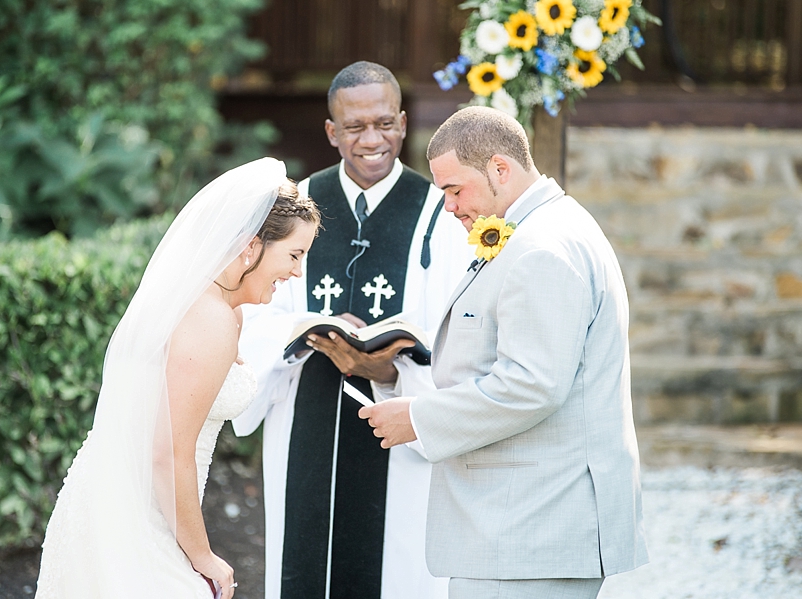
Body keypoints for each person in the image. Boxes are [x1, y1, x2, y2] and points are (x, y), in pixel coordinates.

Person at [361, 106, 649, 599]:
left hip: (530, 528)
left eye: (455, 189)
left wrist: (421, 418)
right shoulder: (545, 227)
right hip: (523, 528)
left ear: (500, 169)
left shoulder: (542, 247)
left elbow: (532, 384)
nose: (448, 207)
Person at [233, 62, 472, 599]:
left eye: (385, 124)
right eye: (355, 127)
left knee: (394, 567)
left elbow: (455, 330)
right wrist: (304, 333)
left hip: (398, 427)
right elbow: (255, 310)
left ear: (405, 124)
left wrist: (389, 369)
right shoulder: (296, 206)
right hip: (304, 417)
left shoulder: (440, 212)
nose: (372, 140)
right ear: (331, 132)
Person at [35, 158, 320, 598]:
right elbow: (168, 453)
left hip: (144, 503)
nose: (298, 271)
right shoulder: (210, 320)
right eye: (295, 255)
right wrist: (202, 556)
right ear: (251, 246)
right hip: (133, 516)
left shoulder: (224, 308)